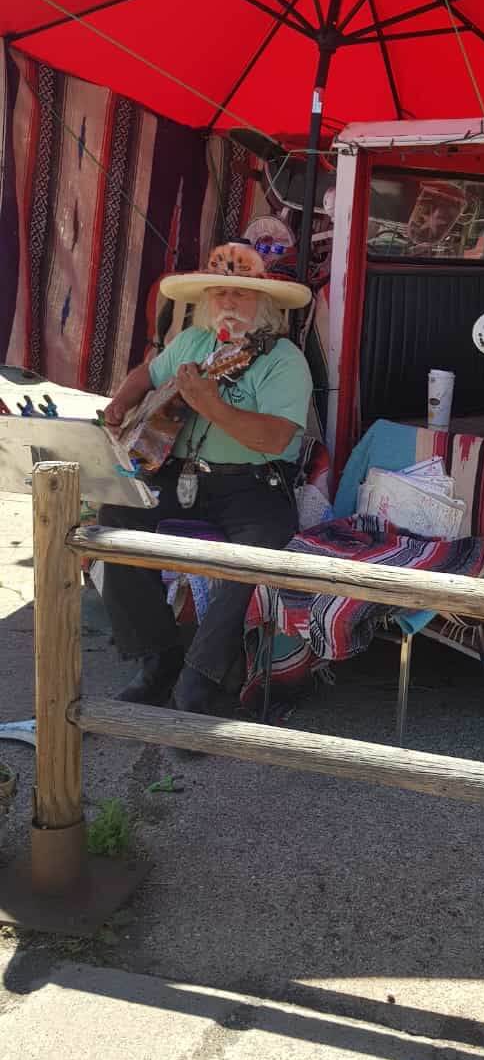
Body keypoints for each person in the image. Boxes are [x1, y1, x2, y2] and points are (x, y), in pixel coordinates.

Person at [100, 241, 313, 715]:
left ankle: (200, 678)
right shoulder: (192, 341)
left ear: (264, 304)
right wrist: (122, 403)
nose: (228, 302)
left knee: (254, 556)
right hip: (180, 473)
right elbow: (148, 374)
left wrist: (211, 405)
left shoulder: (284, 360)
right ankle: (158, 658)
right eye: (219, 293)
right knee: (114, 517)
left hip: (253, 485)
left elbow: (276, 438)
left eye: (240, 294)